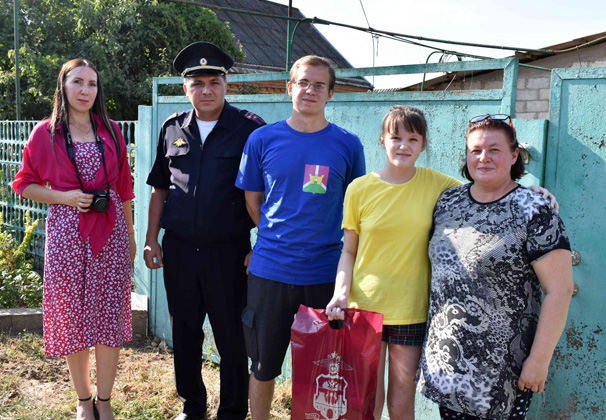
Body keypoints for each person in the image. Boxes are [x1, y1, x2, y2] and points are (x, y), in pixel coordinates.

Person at [416, 114, 573, 420]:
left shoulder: (534, 209)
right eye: (475, 150)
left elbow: (560, 290)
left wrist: (539, 360)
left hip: (501, 374)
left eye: (494, 149)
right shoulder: (448, 201)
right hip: (445, 362)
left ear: (514, 155)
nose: (483, 158)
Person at [236, 55, 366, 419]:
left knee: (323, 368)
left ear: (331, 94)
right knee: (263, 365)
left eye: (319, 85)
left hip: (325, 275)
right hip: (270, 272)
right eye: (304, 83)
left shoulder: (348, 144)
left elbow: (355, 207)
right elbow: (253, 201)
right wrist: (272, 240)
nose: (310, 90)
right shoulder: (262, 139)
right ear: (290, 88)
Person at [144, 41, 265, 420]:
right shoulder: (171, 128)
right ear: (186, 89)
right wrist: (150, 239)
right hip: (179, 250)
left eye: (214, 81)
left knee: (231, 336)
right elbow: (159, 189)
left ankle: (232, 412)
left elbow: (267, 195)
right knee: (185, 333)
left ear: (226, 85)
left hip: (228, 252)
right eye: (197, 83)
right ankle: (191, 407)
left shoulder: (249, 130)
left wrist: (260, 246)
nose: (206, 90)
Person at [12, 58, 135, 420]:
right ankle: (84, 401)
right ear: (63, 86)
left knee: (108, 315)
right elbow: (24, 184)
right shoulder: (45, 133)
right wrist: (66, 197)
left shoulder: (112, 130)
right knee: (73, 315)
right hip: (66, 231)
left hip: (109, 230)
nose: (85, 91)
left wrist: (128, 234)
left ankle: (105, 401)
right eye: (78, 82)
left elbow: (124, 188)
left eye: (92, 84)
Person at [326, 105, 460, 420]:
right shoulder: (359, 189)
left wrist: (527, 193)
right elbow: (348, 252)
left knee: (401, 403)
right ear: (382, 140)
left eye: (413, 139)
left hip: (410, 308)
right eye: (396, 137)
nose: (403, 146)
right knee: (367, 401)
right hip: (364, 307)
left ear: (423, 145)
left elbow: (485, 190)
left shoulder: (437, 183)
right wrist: (340, 294)